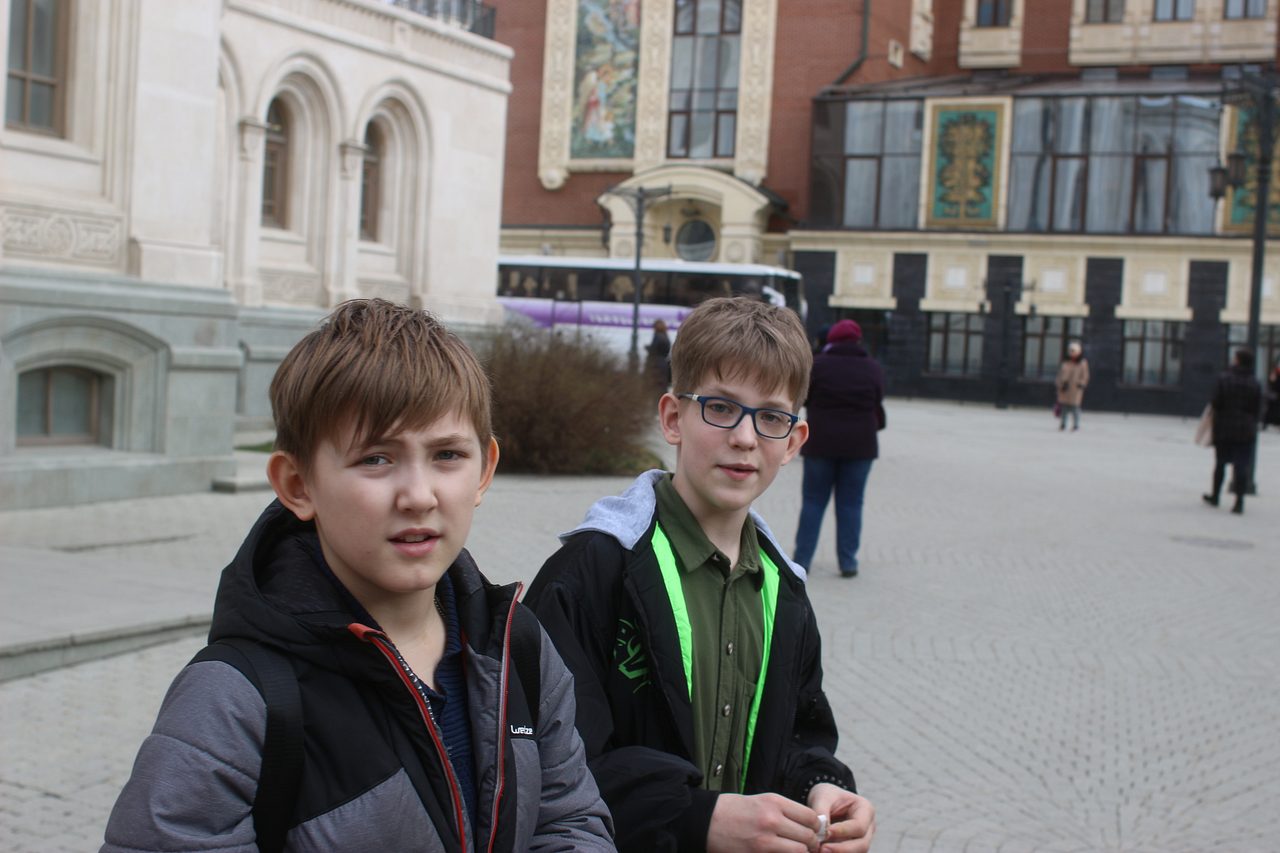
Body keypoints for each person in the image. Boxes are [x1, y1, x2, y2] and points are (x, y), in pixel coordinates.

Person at [102, 299, 615, 851]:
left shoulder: (519, 648)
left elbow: (569, 821)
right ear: (297, 484)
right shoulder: (234, 701)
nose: (418, 496)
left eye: (447, 455)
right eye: (376, 459)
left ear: (485, 470)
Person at [525, 297, 876, 853]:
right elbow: (546, 762)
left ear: (793, 442)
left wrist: (821, 786)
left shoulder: (785, 593)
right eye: (721, 407)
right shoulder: (592, 573)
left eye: (771, 417)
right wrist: (695, 817)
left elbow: (799, 734)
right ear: (672, 418)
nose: (745, 438)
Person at [792, 319, 885, 579]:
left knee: (813, 502)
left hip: (821, 443)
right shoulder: (872, 368)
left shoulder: (818, 365)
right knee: (851, 504)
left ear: (832, 339)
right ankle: (848, 561)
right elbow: (878, 398)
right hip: (860, 446)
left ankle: (802, 560)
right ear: (858, 340)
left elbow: (804, 397)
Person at [1202, 347, 1263, 515]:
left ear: (1237, 360)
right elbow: (1257, 407)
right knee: (1241, 466)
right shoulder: (1255, 383)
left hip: (1224, 427)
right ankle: (1239, 502)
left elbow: (1216, 402)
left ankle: (1215, 496)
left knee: (1220, 463)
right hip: (1246, 429)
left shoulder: (1224, 379)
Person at [1056, 341, 1089, 431]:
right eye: (1071, 351)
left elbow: (1085, 375)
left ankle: (1076, 425)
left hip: (1076, 389)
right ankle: (1063, 424)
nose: (1072, 353)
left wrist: (1081, 384)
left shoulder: (1082, 363)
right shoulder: (1065, 362)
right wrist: (1060, 384)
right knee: (1064, 407)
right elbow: (1060, 374)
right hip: (1065, 388)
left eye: (1074, 351)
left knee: (1075, 407)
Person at [646, 318, 672, 392]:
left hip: (656, 363)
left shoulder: (657, 336)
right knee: (662, 385)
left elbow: (654, 349)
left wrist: (648, 348)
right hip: (664, 364)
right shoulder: (666, 336)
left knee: (656, 385)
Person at [1264, 356, 1280, 430]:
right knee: (1271, 409)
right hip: (1275, 395)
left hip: (1275, 394)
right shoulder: (1275, 372)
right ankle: (1266, 423)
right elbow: (1271, 382)